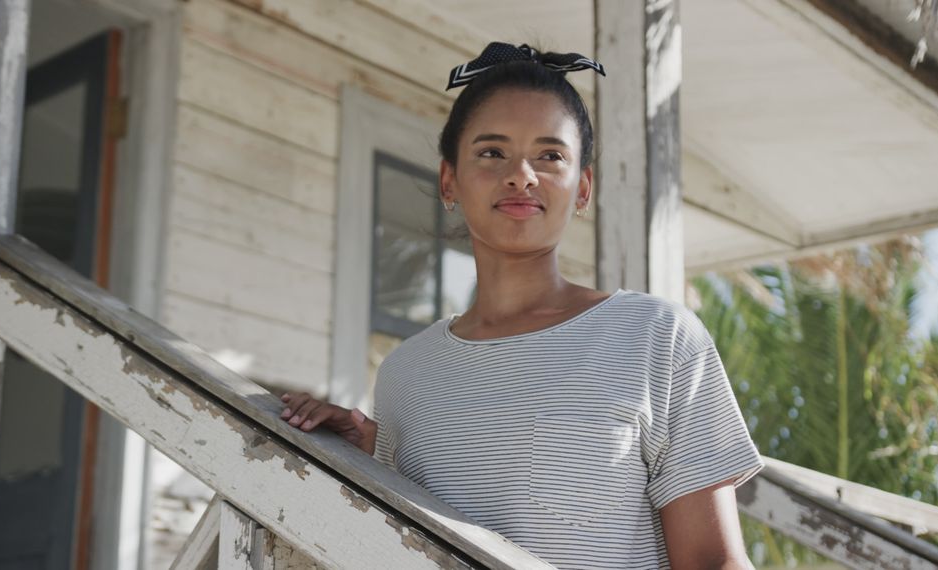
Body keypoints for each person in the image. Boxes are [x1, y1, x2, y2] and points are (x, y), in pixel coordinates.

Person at [280, 42, 764, 569]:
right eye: (492, 152)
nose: (521, 175)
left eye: (550, 155)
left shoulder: (655, 336)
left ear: (582, 188)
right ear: (449, 180)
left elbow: (713, 561)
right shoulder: (405, 374)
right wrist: (366, 457)